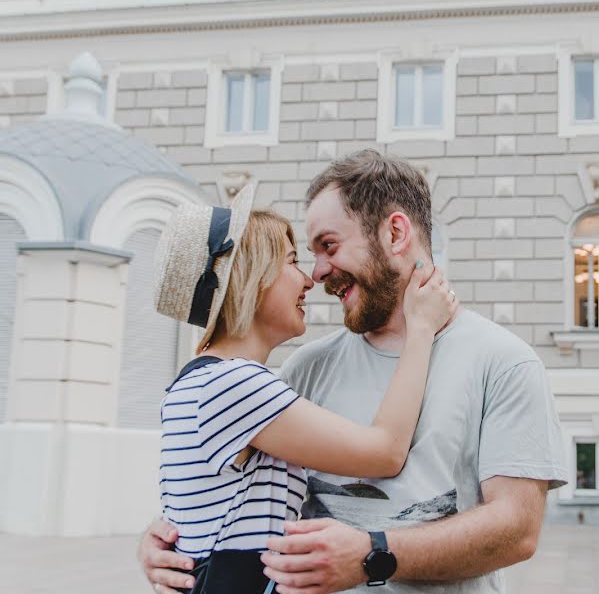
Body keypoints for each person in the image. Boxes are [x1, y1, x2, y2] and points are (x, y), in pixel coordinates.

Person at [140, 150, 567, 594]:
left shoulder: (503, 361)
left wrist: (371, 555)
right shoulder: (300, 369)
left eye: (329, 246)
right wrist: (169, 540)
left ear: (396, 233)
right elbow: (236, 485)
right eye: (299, 258)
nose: (317, 273)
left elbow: (517, 530)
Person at [150, 183, 456, 593]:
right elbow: (384, 452)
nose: (308, 280)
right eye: (292, 261)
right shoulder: (233, 384)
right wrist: (420, 329)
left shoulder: (203, 382)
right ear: (252, 278)